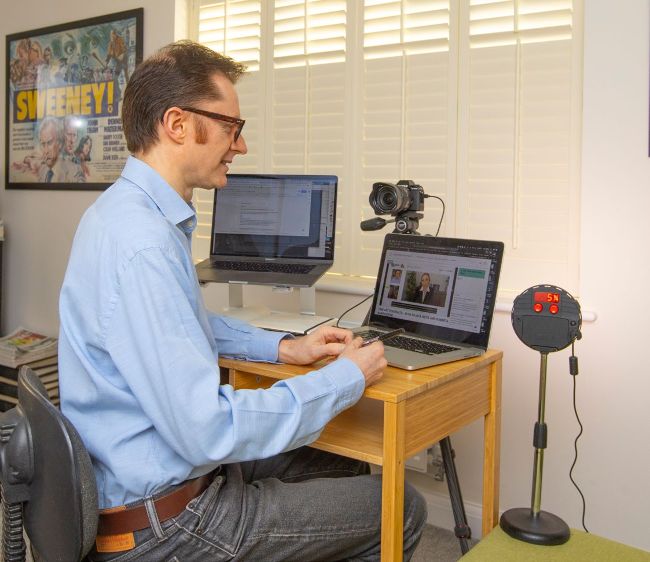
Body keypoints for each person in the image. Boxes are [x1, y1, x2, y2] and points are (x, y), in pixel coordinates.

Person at [59, 40, 426, 561]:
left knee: (334, 461)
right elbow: (207, 431)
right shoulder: (143, 245)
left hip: (147, 480)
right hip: (164, 524)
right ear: (177, 124)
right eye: (232, 127)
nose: (242, 145)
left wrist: (284, 347)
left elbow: (180, 323)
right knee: (400, 507)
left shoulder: (119, 215)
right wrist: (344, 378)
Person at [37, 117, 85, 183]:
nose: (46, 151)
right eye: (43, 144)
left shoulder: (75, 172)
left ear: (59, 143)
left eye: (49, 143)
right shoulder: (42, 171)